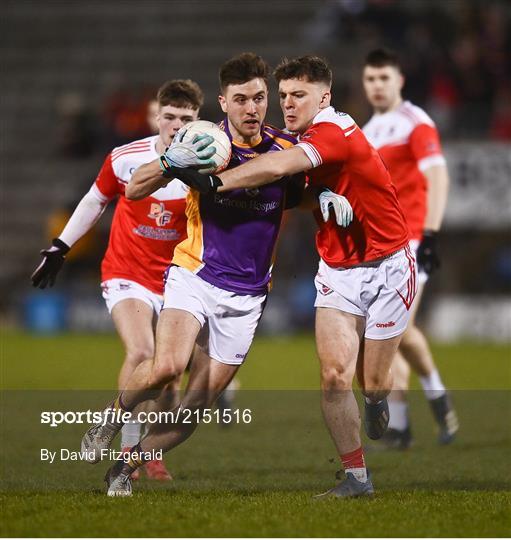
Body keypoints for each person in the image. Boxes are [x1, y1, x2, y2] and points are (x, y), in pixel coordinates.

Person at [80, 52, 342, 497]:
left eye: (260, 98)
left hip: (248, 296)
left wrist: (327, 200)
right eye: (241, 99)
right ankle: (111, 416)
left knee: (193, 409)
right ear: (223, 102)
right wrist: (169, 163)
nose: (252, 108)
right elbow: (135, 187)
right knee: (166, 367)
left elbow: (300, 192)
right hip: (195, 275)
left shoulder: (284, 150)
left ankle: (125, 466)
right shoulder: (203, 145)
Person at [169, 55, 419, 497]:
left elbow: (279, 169)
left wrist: (214, 182)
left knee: (373, 382)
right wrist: (321, 194)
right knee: (333, 375)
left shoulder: (332, 130)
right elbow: (293, 187)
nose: (287, 104)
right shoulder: (292, 137)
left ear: (324, 97)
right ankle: (358, 478)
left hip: (388, 267)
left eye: (298, 95)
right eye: (282, 96)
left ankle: (379, 400)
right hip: (337, 270)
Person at [31, 79, 211, 481]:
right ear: (156, 116)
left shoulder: (209, 164)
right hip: (127, 273)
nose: (176, 125)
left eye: (186, 118)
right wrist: (61, 246)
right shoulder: (127, 158)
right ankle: (125, 442)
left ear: (197, 120)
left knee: (171, 370)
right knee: (144, 351)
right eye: (169, 117)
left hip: (178, 280)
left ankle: (152, 450)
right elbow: (96, 199)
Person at [361, 48, 459, 449]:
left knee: (392, 332)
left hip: (414, 242)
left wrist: (431, 235)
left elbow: (438, 176)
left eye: (384, 78)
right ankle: (437, 393)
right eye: (371, 79)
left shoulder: (415, 123)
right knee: (400, 330)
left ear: (400, 80)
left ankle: (400, 426)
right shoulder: (367, 130)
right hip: (380, 246)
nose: (377, 86)